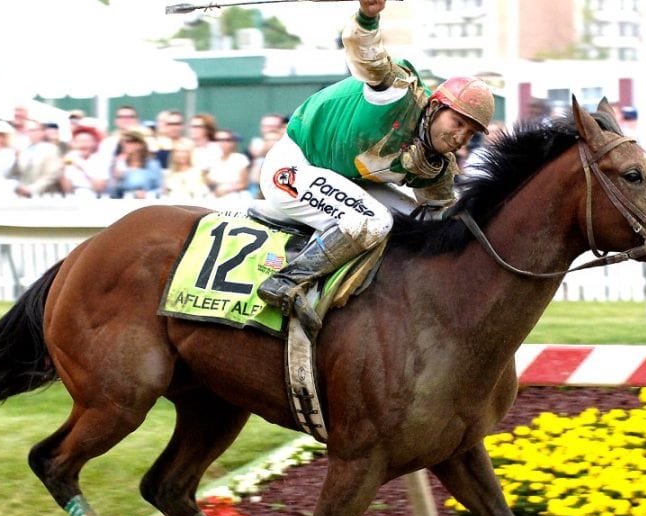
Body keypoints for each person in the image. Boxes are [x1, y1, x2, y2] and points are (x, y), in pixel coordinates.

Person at [256, 0, 493, 331]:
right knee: (374, 220)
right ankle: (285, 283)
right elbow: (367, 55)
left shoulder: (438, 166)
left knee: (418, 223)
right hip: (294, 166)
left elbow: (443, 217)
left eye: (470, 132)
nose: (461, 136)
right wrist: (368, 16)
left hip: (343, 180)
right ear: (436, 106)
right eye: (458, 122)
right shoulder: (398, 92)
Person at [14, 118, 64, 197]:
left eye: (34, 130)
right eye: (29, 130)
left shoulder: (51, 149)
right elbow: (18, 173)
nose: (31, 133)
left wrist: (31, 189)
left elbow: (51, 175)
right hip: (22, 195)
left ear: (42, 132)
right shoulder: (23, 150)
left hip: (44, 195)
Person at [109, 126, 163, 199]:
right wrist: (116, 179)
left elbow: (160, 188)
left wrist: (146, 194)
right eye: (122, 141)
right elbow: (110, 192)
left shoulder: (152, 164)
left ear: (140, 144)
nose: (124, 144)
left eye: (129, 141)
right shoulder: (117, 162)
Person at [204, 130, 250, 200]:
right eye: (217, 140)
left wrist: (226, 190)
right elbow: (206, 180)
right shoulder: (211, 160)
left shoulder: (240, 159)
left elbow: (243, 184)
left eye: (226, 140)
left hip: (235, 196)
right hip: (214, 196)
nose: (221, 143)